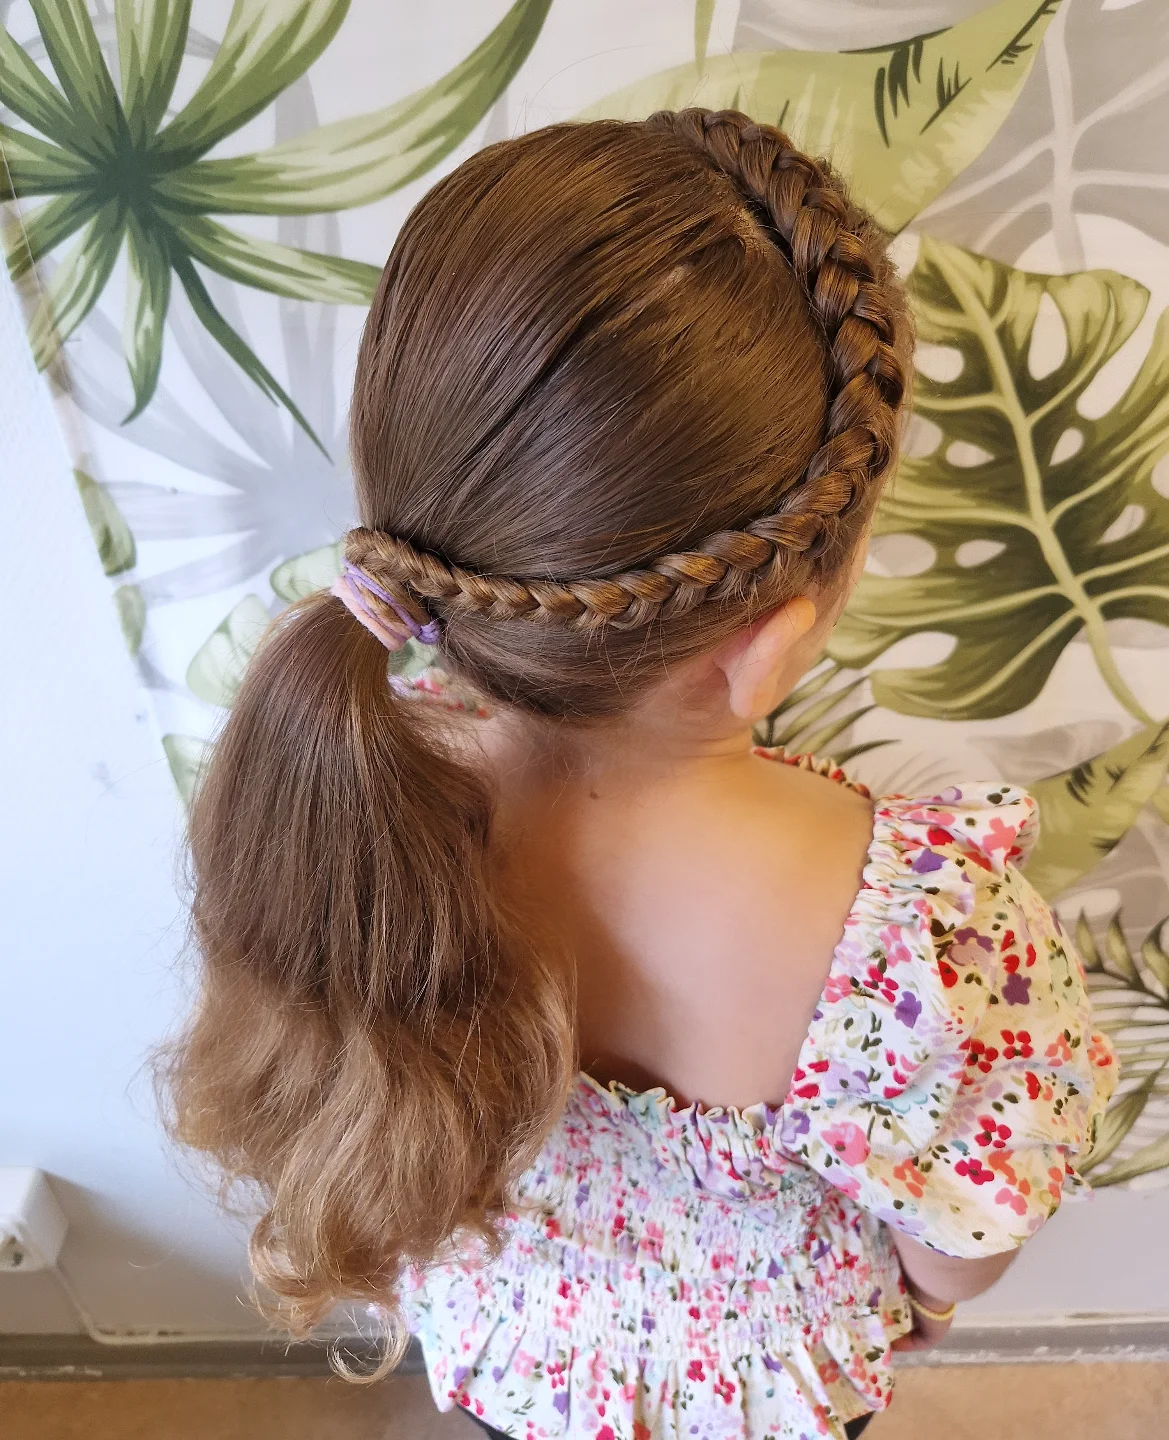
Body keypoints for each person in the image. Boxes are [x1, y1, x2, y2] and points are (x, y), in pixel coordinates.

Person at [161, 109, 1117, 1439]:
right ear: (773, 639)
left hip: (511, 1361)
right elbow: (961, 1241)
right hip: (767, 1391)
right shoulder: (933, 944)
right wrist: (929, 1301)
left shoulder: (348, 784)